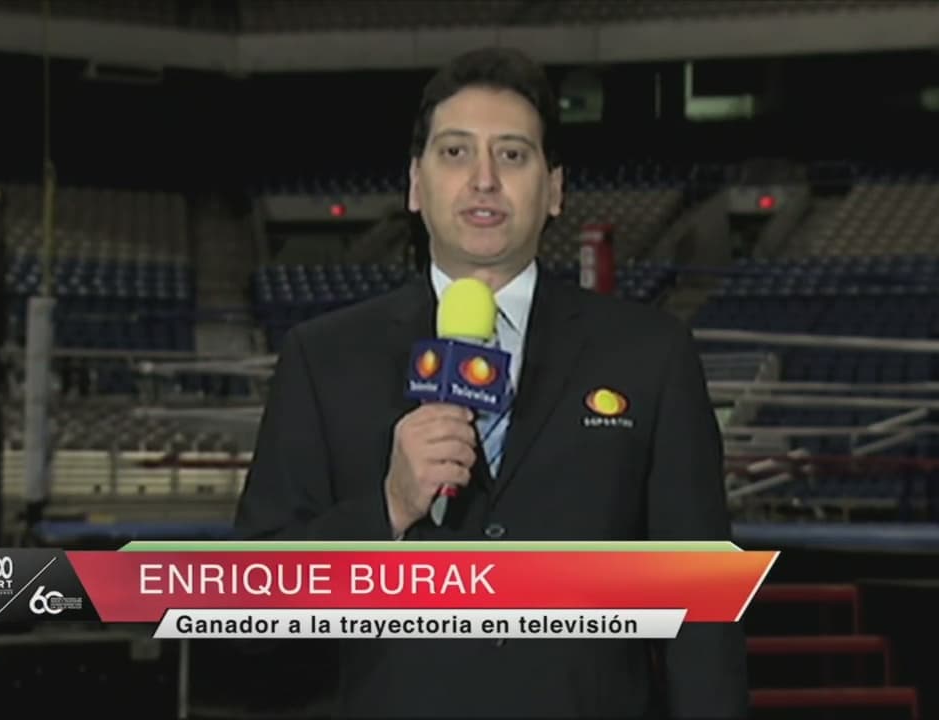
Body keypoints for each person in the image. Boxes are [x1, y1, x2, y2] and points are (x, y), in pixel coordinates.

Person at [235, 46, 748, 718]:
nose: (483, 179)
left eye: (512, 154)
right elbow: (251, 609)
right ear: (415, 184)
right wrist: (385, 511)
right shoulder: (322, 357)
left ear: (554, 189)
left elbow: (703, 617)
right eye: (455, 152)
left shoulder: (650, 355)